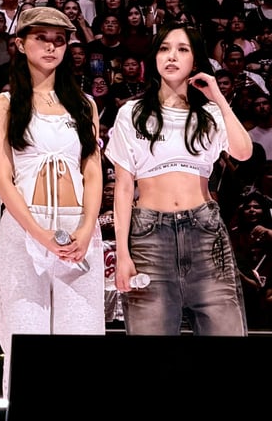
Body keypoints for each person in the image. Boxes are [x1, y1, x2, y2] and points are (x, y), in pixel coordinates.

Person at [0, 6, 104, 397]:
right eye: (41, 38)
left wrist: (86, 229)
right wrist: (39, 234)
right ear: (20, 44)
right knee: (25, 340)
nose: (52, 47)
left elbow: (93, 171)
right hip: (24, 228)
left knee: (82, 338)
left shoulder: (84, 104)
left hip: (78, 228)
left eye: (59, 40)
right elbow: (2, 180)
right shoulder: (4, 104)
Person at [107, 23, 251, 335]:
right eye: (164, 48)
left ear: (195, 61)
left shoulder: (210, 113)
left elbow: (242, 151)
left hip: (205, 233)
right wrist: (122, 254)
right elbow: (124, 187)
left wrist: (217, 96)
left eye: (182, 49)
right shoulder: (131, 112)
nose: (171, 56)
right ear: (154, 58)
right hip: (149, 236)